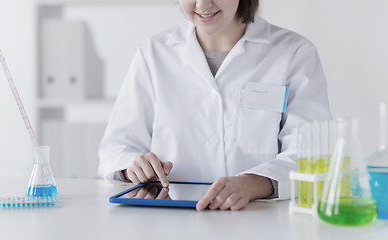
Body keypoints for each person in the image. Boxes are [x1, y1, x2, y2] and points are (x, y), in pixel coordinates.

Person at [98, 0, 331, 211]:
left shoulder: (294, 53)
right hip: (170, 221)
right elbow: (116, 147)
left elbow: (311, 152)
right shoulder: (154, 53)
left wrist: (250, 185)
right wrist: (132, 166)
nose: (202, 4)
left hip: (259, 219)